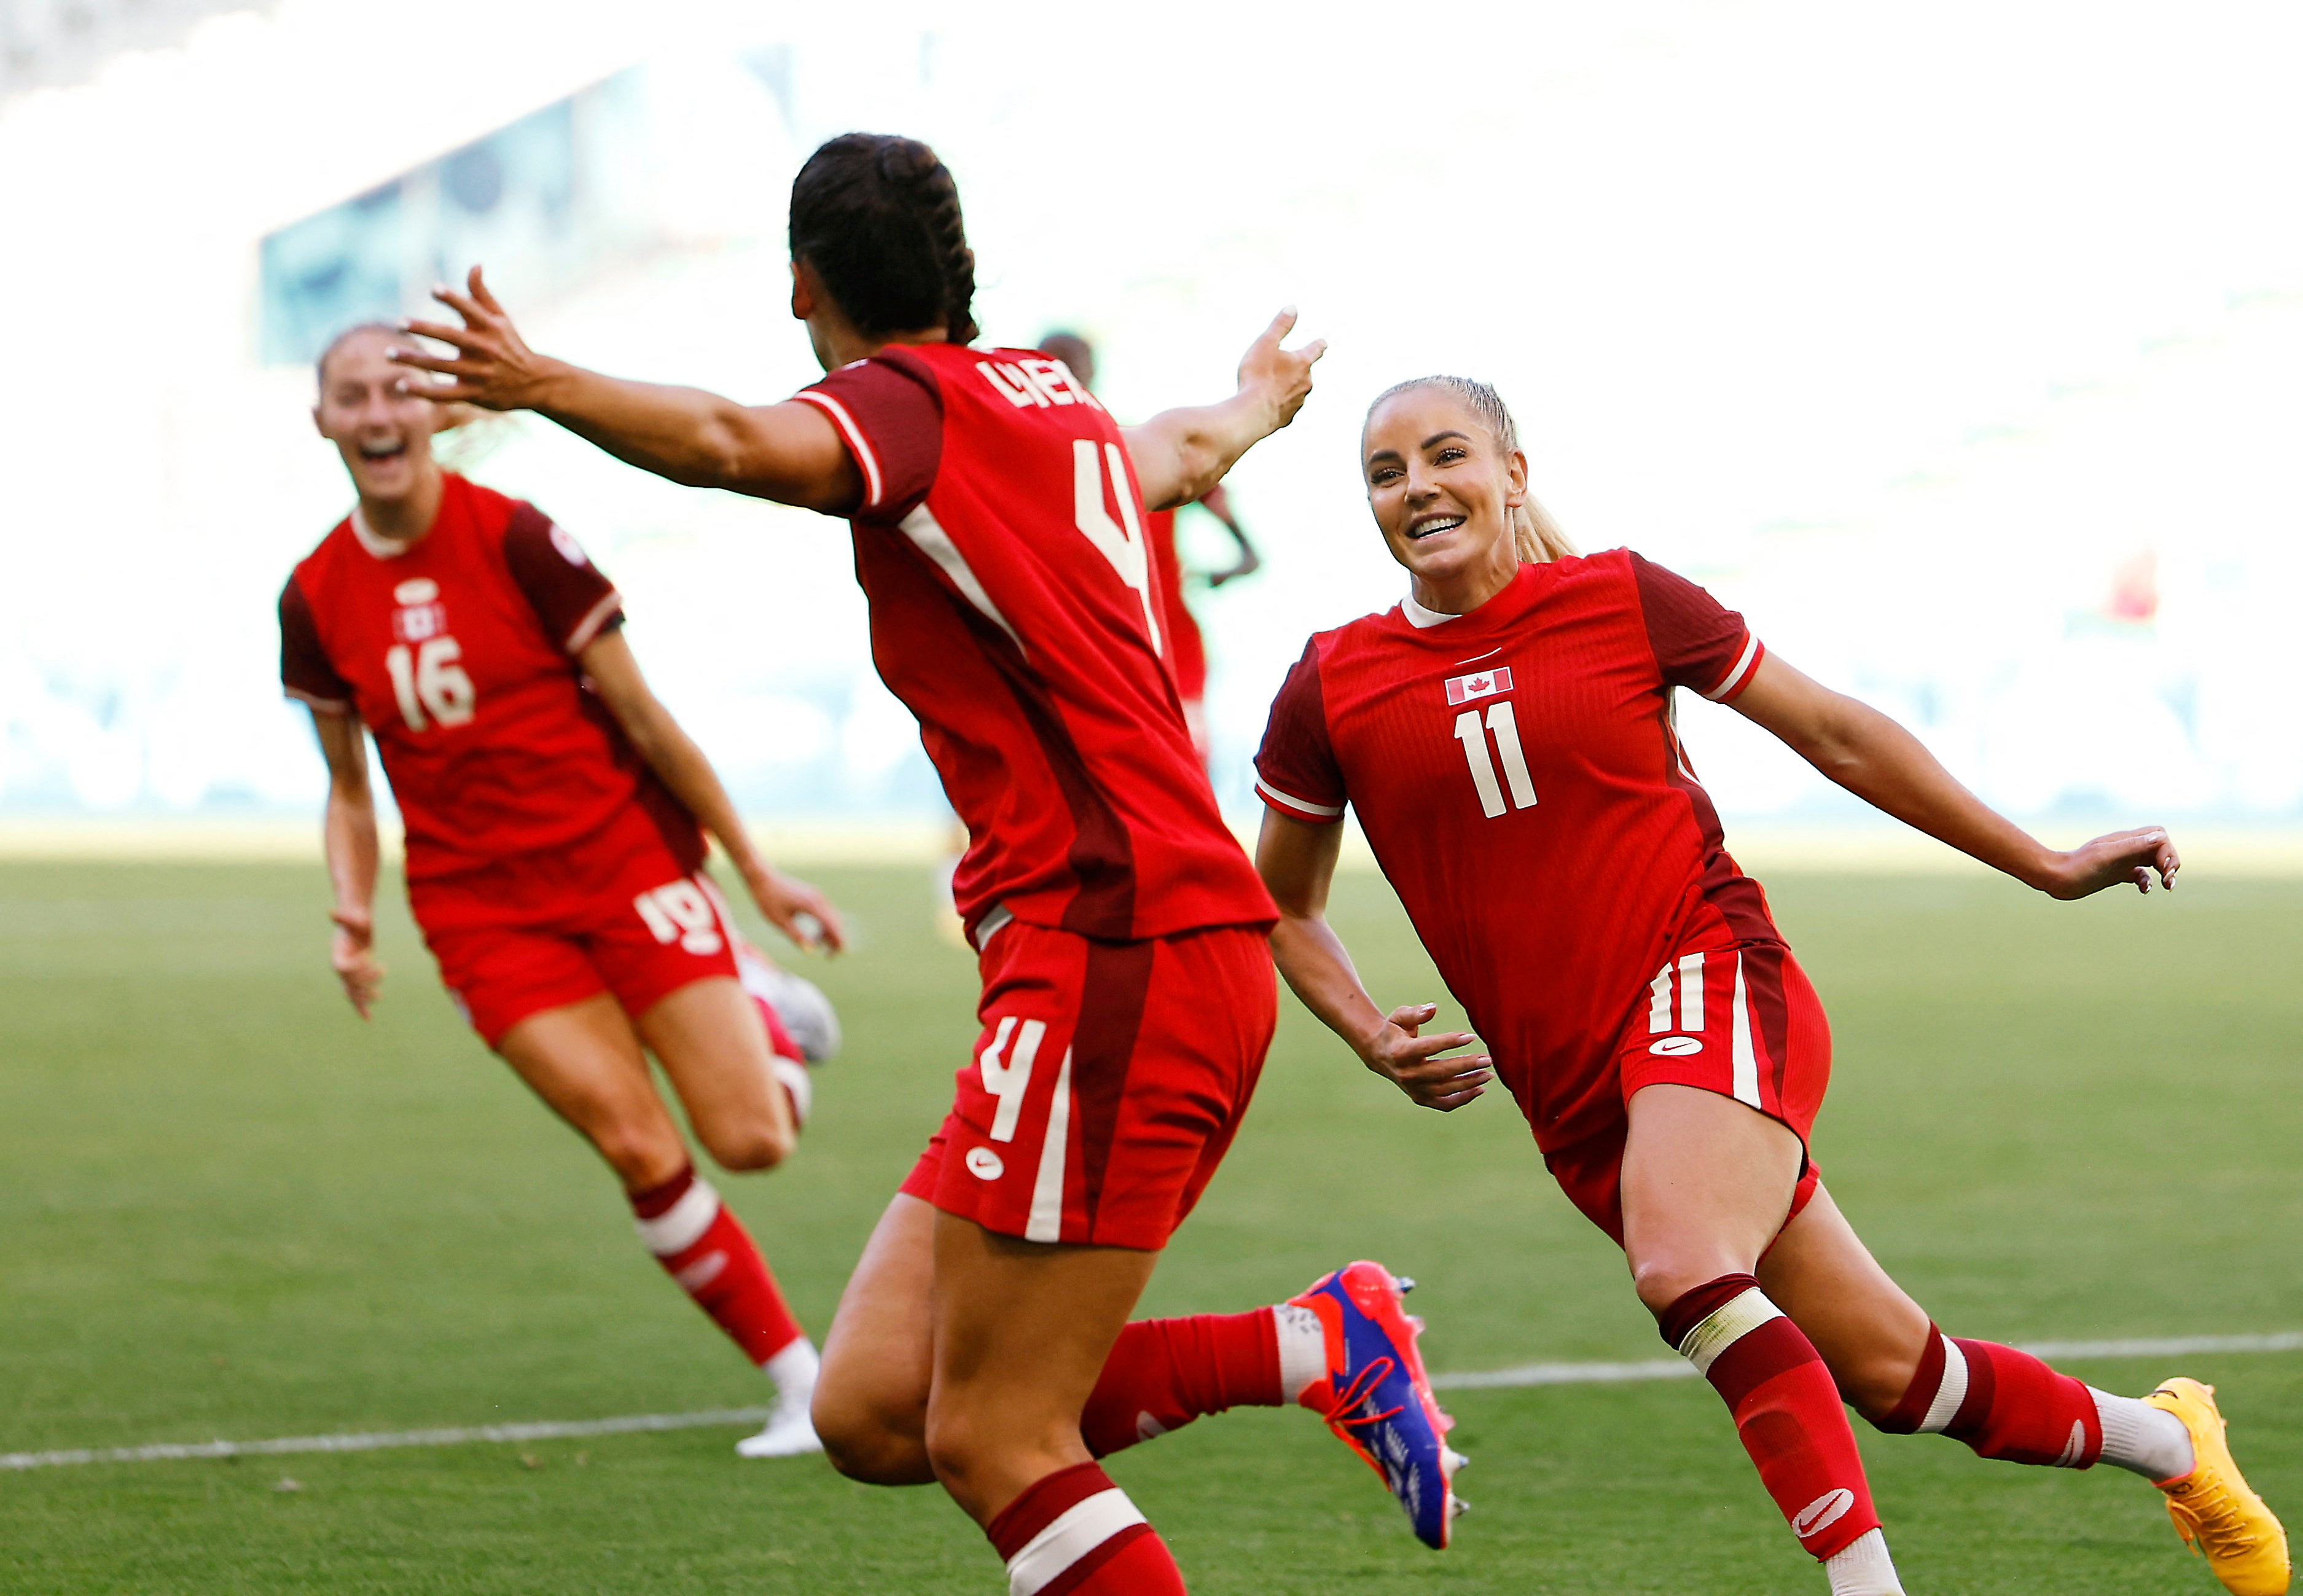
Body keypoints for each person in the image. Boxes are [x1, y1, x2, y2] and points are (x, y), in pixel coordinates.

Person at [383, 133, 1462, 1590]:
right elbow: (1179, 452)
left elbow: (719, 443)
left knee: (998, 1441)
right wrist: (1257, 405)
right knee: (877, 1406)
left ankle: (1315, 1347)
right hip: (1093, 962)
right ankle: (1312, 1344)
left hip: (1117, 956)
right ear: (958, 272)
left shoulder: (901, 412)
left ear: (800, 285)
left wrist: (537, 383)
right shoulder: (1050, 404)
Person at [1250, 374, 2289, 1596]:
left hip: (1707, 982)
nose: (1418, 487)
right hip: (1572, 1086)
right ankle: (2170, 1441)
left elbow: (1832, 732)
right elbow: (1279, 898)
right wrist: (1365, 1026)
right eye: (1385, 472)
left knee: (1680, 1264)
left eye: (1445, 456)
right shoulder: (1333, 683)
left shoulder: (1622, 598)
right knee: (1898, 1376)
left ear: (1513, 473)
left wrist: (2041, 862)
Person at [280, 323, 847, 1460]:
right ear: (326, 421)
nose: (380, 412)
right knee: (637, 1148)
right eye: (354, 395)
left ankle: (762, 1006)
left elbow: (643, 718)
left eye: (400, 388)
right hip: (482, 916)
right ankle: (800, 1381)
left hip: (624, 863)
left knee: (752, 1141)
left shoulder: (521, 539)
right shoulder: (313, 597)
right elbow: (350, 788)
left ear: (438, 411)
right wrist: (352, 909)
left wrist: (751, 867)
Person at [1040, 330, 1261, 765]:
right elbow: (1249, 556)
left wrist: (1206, 575)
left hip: (1160, 643)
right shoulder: (1139, 448)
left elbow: (1250, 554)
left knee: (1180, 778)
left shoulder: (1136, 448)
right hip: (1092, 650)